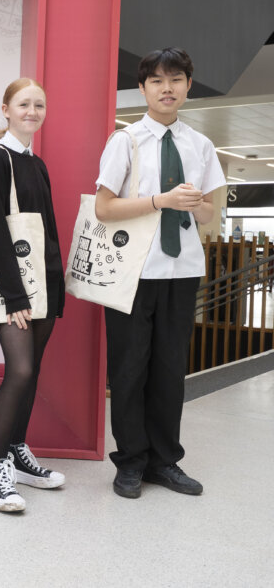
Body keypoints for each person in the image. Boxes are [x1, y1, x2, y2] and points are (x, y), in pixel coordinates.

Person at [95, 47, 224, 499]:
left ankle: (164, 461)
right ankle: (130, 462)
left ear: (189, 85)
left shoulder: (201, 145)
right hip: (133, 272)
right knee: (129, 370)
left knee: (170, 370)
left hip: (182, 269)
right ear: (143, 88)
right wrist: (160, 201)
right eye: (157, 81)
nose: (167, 88)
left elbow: (210, 214)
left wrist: (196, 203)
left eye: (176, 80)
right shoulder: (125, 141)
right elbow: (104, 207)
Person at [0, 78, 65, 513]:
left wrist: (56, 289)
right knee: (21, 370)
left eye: (39, 104)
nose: (32, 111)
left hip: (43, 283)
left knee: (33, 371)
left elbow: (47, 231)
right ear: (6, 108)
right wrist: (14, 297)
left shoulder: (37, 162)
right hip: (15, 289)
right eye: (24, 104)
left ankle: (15, 450)